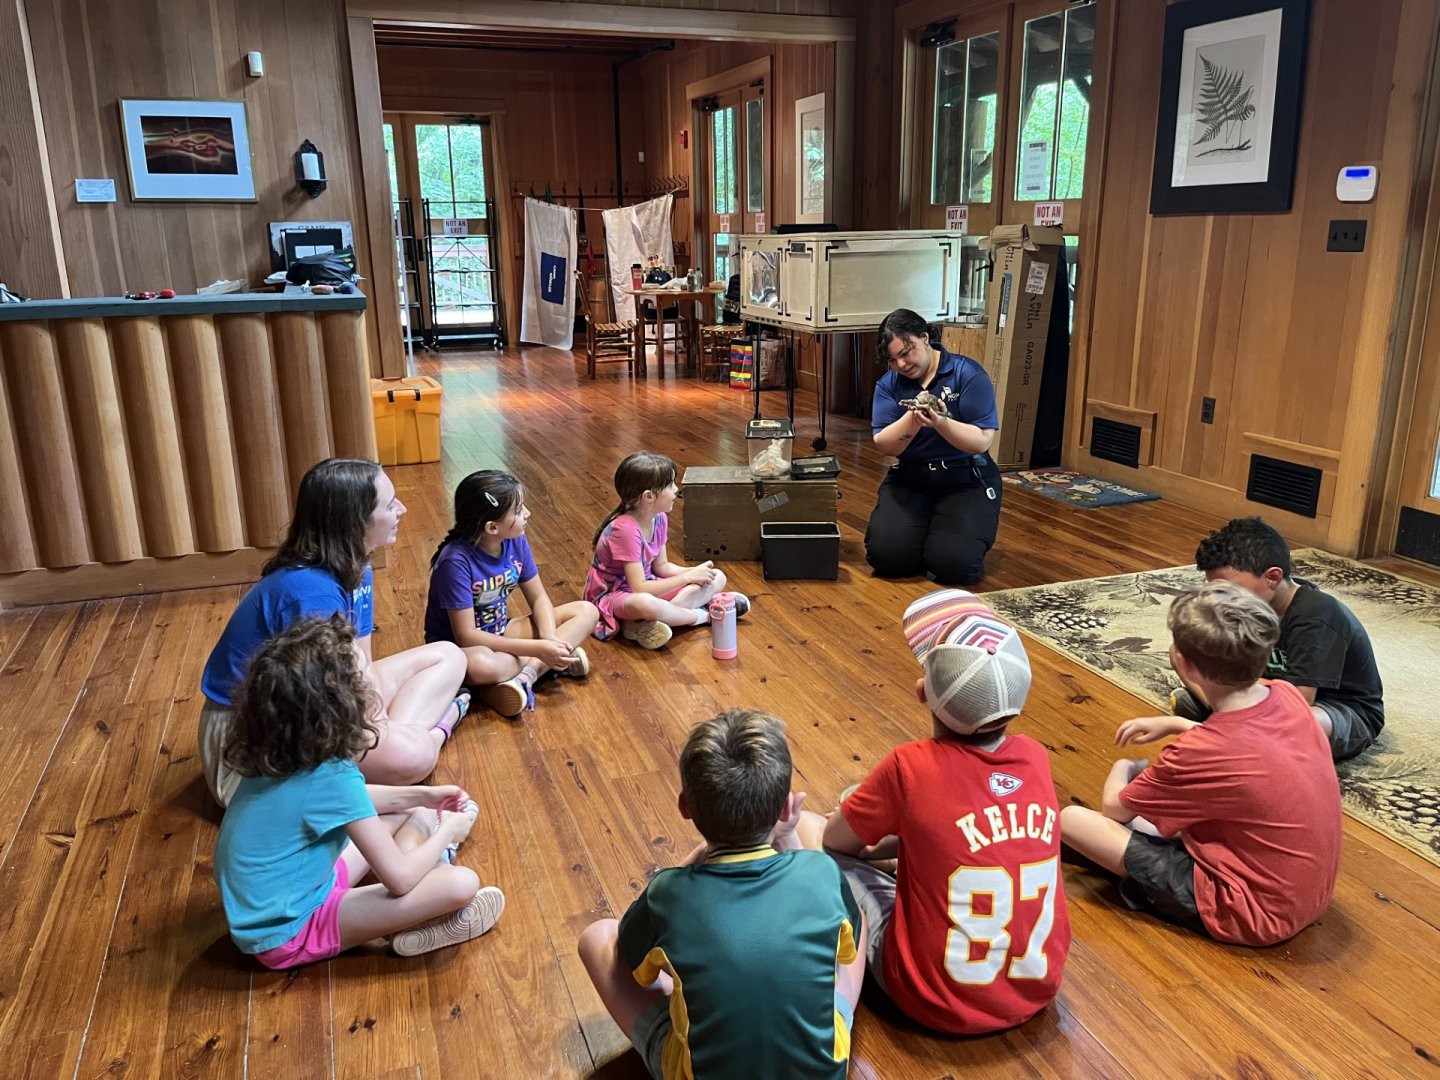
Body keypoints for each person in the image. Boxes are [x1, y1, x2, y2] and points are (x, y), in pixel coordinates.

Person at [800, 589, 1069, 1035]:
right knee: (885, 814)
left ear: (923, 691)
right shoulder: (1036, 758)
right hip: (1036, 990)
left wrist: (875, 844)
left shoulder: (908, 765)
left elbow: (836, 841)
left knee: (814, 836)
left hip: (930, 998)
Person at [576, 708, 865, 1079]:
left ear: (684, 807)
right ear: (783, 808)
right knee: (850, 916)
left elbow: (632, 965)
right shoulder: (820, 873)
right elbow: (844, 946)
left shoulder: (668, 894)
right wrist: (788, 835)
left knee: (597, 938)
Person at [1060, 581, 1343, 947]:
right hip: (1306, 896)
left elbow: (1114, 808)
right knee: (1147, 821)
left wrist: (1127, 766)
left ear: (1183, 662)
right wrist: (1178, 724)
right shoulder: (1286, 695)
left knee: (1073, 820)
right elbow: (1250, 746)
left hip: (1252, 915)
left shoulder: (1200, 750)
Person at [214, 616, 505, 967]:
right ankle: (422, 905)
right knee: (461, 884)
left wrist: (421, 797)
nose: (372, 681)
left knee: (413, 811)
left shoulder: (280, 754)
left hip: (290, 892)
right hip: (288, 933)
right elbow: (397, 879)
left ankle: (415, 891)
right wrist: (447, 832)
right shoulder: (332, 777)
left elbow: (348, 803)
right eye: (363, 677)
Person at [199, 458, 468, 807]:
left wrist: (378, 724)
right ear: (354, 522)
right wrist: (379, 730)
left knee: (449, 654)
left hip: (318, 702)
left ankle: (402, 745)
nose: (401, 509)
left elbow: (362, 666)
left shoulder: (358, 565)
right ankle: (433, 733)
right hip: (255, 739)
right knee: (414, 758)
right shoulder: (310, 593)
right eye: (389, 504)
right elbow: (330, 693)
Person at [1184, 516, 1384, 760]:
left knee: (1294, 724)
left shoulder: (1317, 616)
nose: (1220, 599)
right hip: (1270, 692)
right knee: (1182, 653)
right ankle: (1231, 718)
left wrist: (1228, 689)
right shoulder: (1244, 605)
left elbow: (1297, 702)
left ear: (1272, 577)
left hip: (1339, 709)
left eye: (1229, 590)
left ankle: (1228, 721)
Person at [424, 470, 599, 718]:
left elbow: (538, 597)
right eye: (518, 511)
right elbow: (466, 636)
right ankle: (543, 666)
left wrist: (548, 638)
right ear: (492, 527)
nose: (527, 513)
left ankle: (524, 677)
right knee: (485, 664)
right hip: (462, 650)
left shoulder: (515, 540)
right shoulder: (454, 562)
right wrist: (538, 649)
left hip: (500, 631)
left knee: (586, 611)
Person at [865, 308, 1002, 585]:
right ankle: (926, 531)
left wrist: (941, 423)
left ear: (925, 338)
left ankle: (944, 538)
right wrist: (912, 421)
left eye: (907, 352)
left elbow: (982, 440)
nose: (902, 365)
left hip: (965, 477)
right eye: (893, 360)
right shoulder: (888, 384)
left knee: (955, 566)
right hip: (912, 477)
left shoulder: (968, 374)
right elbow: (884, 445)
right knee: (887, 559)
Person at [585, 451, 749, 651]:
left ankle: (644, 624)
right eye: (671, 485)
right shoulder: (625, 530)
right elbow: (640, 589)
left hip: (649, 585)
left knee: (718, 576)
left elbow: (661, 567)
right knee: (646, 604)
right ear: (648, 497)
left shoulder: (659, 517)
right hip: (616, 595)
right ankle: (703, 615)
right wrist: (687, 578)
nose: (676, 490)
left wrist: (695, 573)